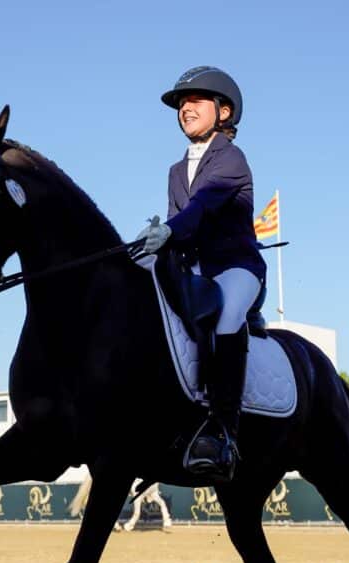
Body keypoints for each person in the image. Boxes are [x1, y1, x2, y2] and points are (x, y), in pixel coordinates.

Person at [138, 66, 266, 481]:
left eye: (194, 101)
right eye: (180, 104)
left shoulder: (231, 158)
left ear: (223, 111)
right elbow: (179, 222)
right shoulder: (176, 171)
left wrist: (170, 230)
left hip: (235, 267)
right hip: (193, 267)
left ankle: (224, 429)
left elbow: (201, 208)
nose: (184, 108)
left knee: (228, 314)